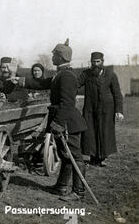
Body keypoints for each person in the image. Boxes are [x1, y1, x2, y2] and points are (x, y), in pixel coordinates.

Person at [11, 39, 88, 201]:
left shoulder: (67, 76)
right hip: (63, 121)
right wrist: (21, 81)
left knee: (75, 156)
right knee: (65, 155)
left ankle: (78, 192)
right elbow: (42, 83)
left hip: (68, 123)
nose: (52, 56)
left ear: (60, 57)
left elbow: (67, 103)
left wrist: (59, 123)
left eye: (54, 54)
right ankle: (61, 187)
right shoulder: (60, 74)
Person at [77, 52, 124, 167]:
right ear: (91, 62)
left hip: (106, 110)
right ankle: (93, 157)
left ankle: (102, 158)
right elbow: (76, 84)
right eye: (93, 62)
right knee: (90, 132)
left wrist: (119, 110)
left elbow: (117, 93)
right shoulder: (86, 74)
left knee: (104, 132)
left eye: (98, 62)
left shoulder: (111, 75)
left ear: (102, 62)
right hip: (90, 109)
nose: (96, 64)